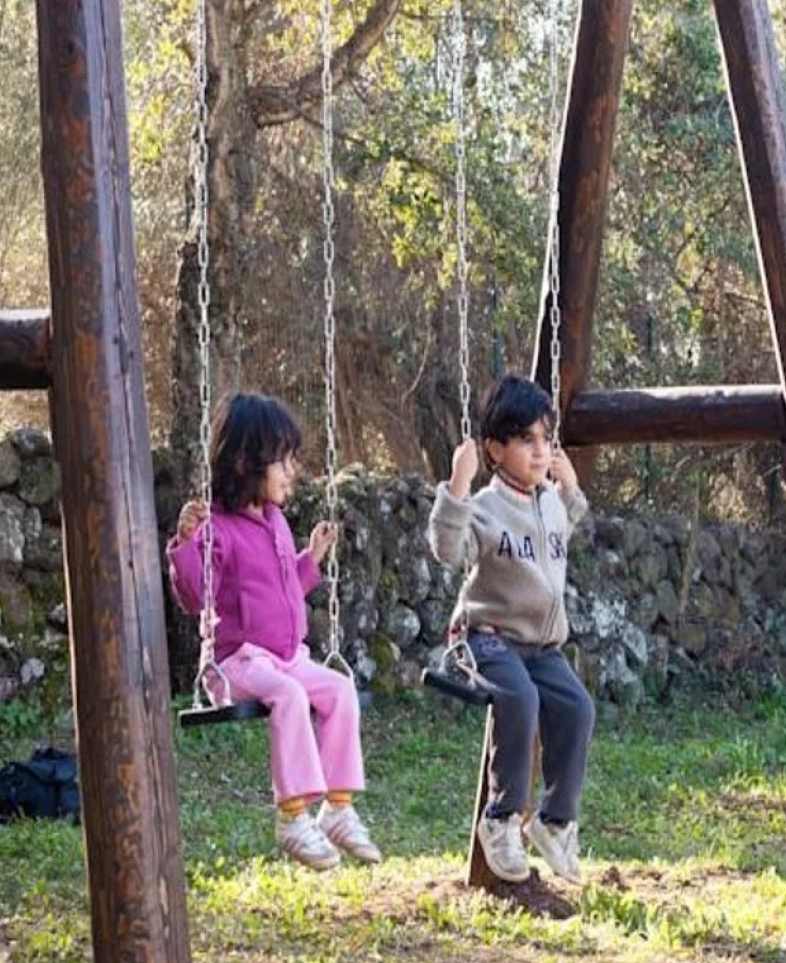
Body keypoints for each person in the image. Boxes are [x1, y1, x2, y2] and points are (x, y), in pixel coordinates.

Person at [167, 392, 381, 871]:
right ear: (245, 462)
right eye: (282, 461)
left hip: (286, 657)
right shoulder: (216, 529)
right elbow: (193, 595)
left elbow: (281, 593)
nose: (292, 471)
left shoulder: (277, 523)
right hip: (236, 662)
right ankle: (292, 815)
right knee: (287, 696)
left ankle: (338, 807)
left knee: (339, 689)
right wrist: (185, 544)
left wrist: (311, 559)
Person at [428, 375, 593, 886]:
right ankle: (501, 819)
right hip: (486, 637)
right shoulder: (483, 509)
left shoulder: (547, 500)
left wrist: (570, 487)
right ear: (495, 449)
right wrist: (457, 485)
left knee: (577, 708)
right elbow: (447, 549)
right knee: (519, 700)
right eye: (527, 440)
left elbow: (571, 520)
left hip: (541, 646)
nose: (540, 450)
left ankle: (554, 822)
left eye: (546, 439)